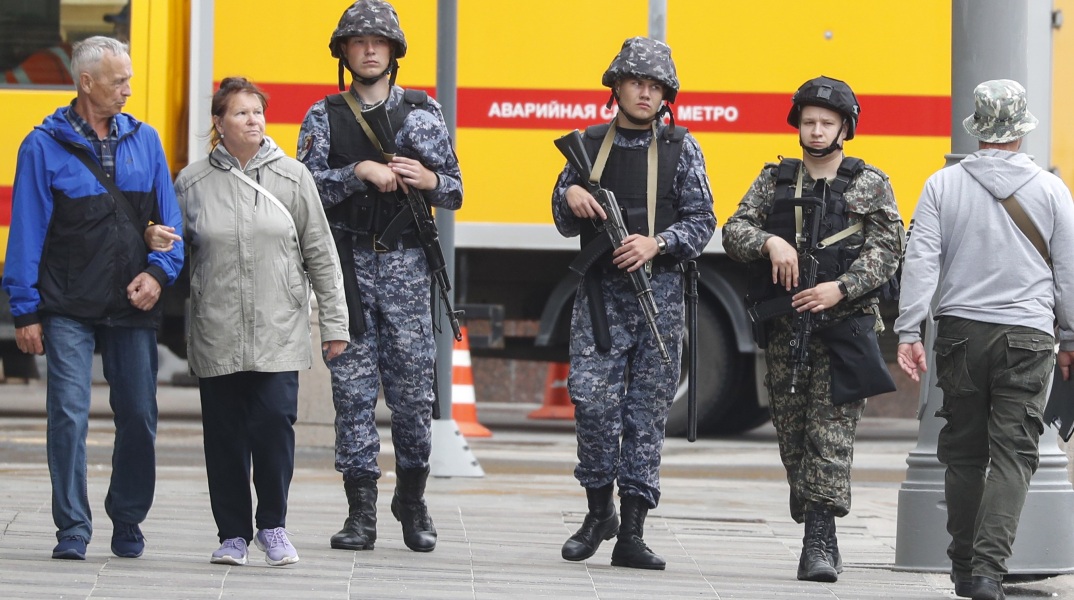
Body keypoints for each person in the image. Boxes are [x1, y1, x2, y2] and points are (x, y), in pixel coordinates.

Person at [1, 36, 184, 561]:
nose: (128, 89)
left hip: (133, 304)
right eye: (118, 81)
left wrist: (158, 274)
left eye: (128, 79)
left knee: (139, 416)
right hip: (67, 306)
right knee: (68, 415)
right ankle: (73, 528)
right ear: (86, 83)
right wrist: (24, 310)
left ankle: (127, 518)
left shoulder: (146, 140)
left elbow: (171, 228)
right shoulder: (42, 146)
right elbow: (27, 234)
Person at [895, 79, 1074, 600]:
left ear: (977, 127)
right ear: (1021, 130)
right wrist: (1069, 337)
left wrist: (909, 330)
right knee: (1014, 455)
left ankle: (963, 566)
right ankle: (989, 575)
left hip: (960, 336)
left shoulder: (941, 186)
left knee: (964, 454)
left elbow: (921, 261)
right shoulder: (1051, 190)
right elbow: (1068, 273)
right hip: (1028, 336)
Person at [722, 76, 903, 583]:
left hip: (845, 329)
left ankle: (818, 542)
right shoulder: (775, 179)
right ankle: (817, 522)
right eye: (808, 122)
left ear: (845, 128)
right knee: (794, 438)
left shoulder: (870, 183)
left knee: (830, 434)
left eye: (826, 122)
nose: (817, 131)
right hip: (786, 328)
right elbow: (734, 230)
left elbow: (889, 248)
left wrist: (841, 288)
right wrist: (770, 244)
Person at [297, 0, 462, 554]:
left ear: (393, 52)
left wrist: (428, 179)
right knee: (352, 395)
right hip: (347, 270)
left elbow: (456, 189)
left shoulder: (422, 112)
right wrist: (357, 172)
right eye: (358, 42)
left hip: (408, 272)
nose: (369, 50)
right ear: (344, 52)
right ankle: (360, 511)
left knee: (414, 397)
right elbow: (303, 189)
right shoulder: (324, 115)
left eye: (379, 42)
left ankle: (411, 501)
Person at [551, 36, 715, 571]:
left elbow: (702, 221)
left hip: (659, 298)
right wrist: (571, 195)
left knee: (646, 414)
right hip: (600, 295)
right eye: (636, 83)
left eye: (655, 86)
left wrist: (657, 243)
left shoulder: (681, 148)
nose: (645, 93)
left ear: (666, 95)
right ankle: (600, 512)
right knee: (592, 403)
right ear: (616, 87)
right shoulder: (589, 144)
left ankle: (633, 532)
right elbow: (561, 216)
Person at [174, 77, 350, 567]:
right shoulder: (191, 183)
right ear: (219, 122)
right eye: (241, 113)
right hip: (217, 327)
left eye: (257, 111)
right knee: (224, 435)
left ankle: (273, 526)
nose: (253, 120)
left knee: (274, 424)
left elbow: (321, 252)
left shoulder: (293, 177)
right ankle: (232, 535)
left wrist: (335, 323)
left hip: (279, 327)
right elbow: (174, 254)